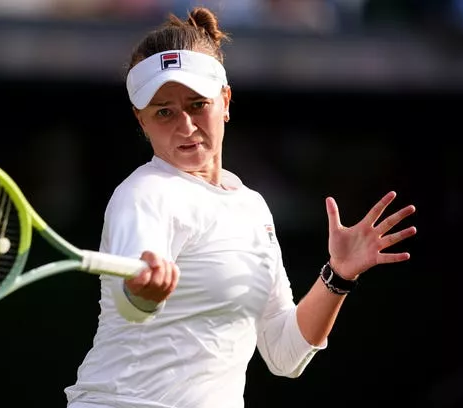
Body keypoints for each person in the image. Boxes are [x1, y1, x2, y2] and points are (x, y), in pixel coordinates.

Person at [64, 6, 417, 408]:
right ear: (141, 121)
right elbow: (132, 304)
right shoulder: (143, 194)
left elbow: (285, 354)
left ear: (225, 100)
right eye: (164, 112)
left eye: (197, 104)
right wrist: (145, 293)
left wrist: (338, 275)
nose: (185, 125)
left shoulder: (251, 207)